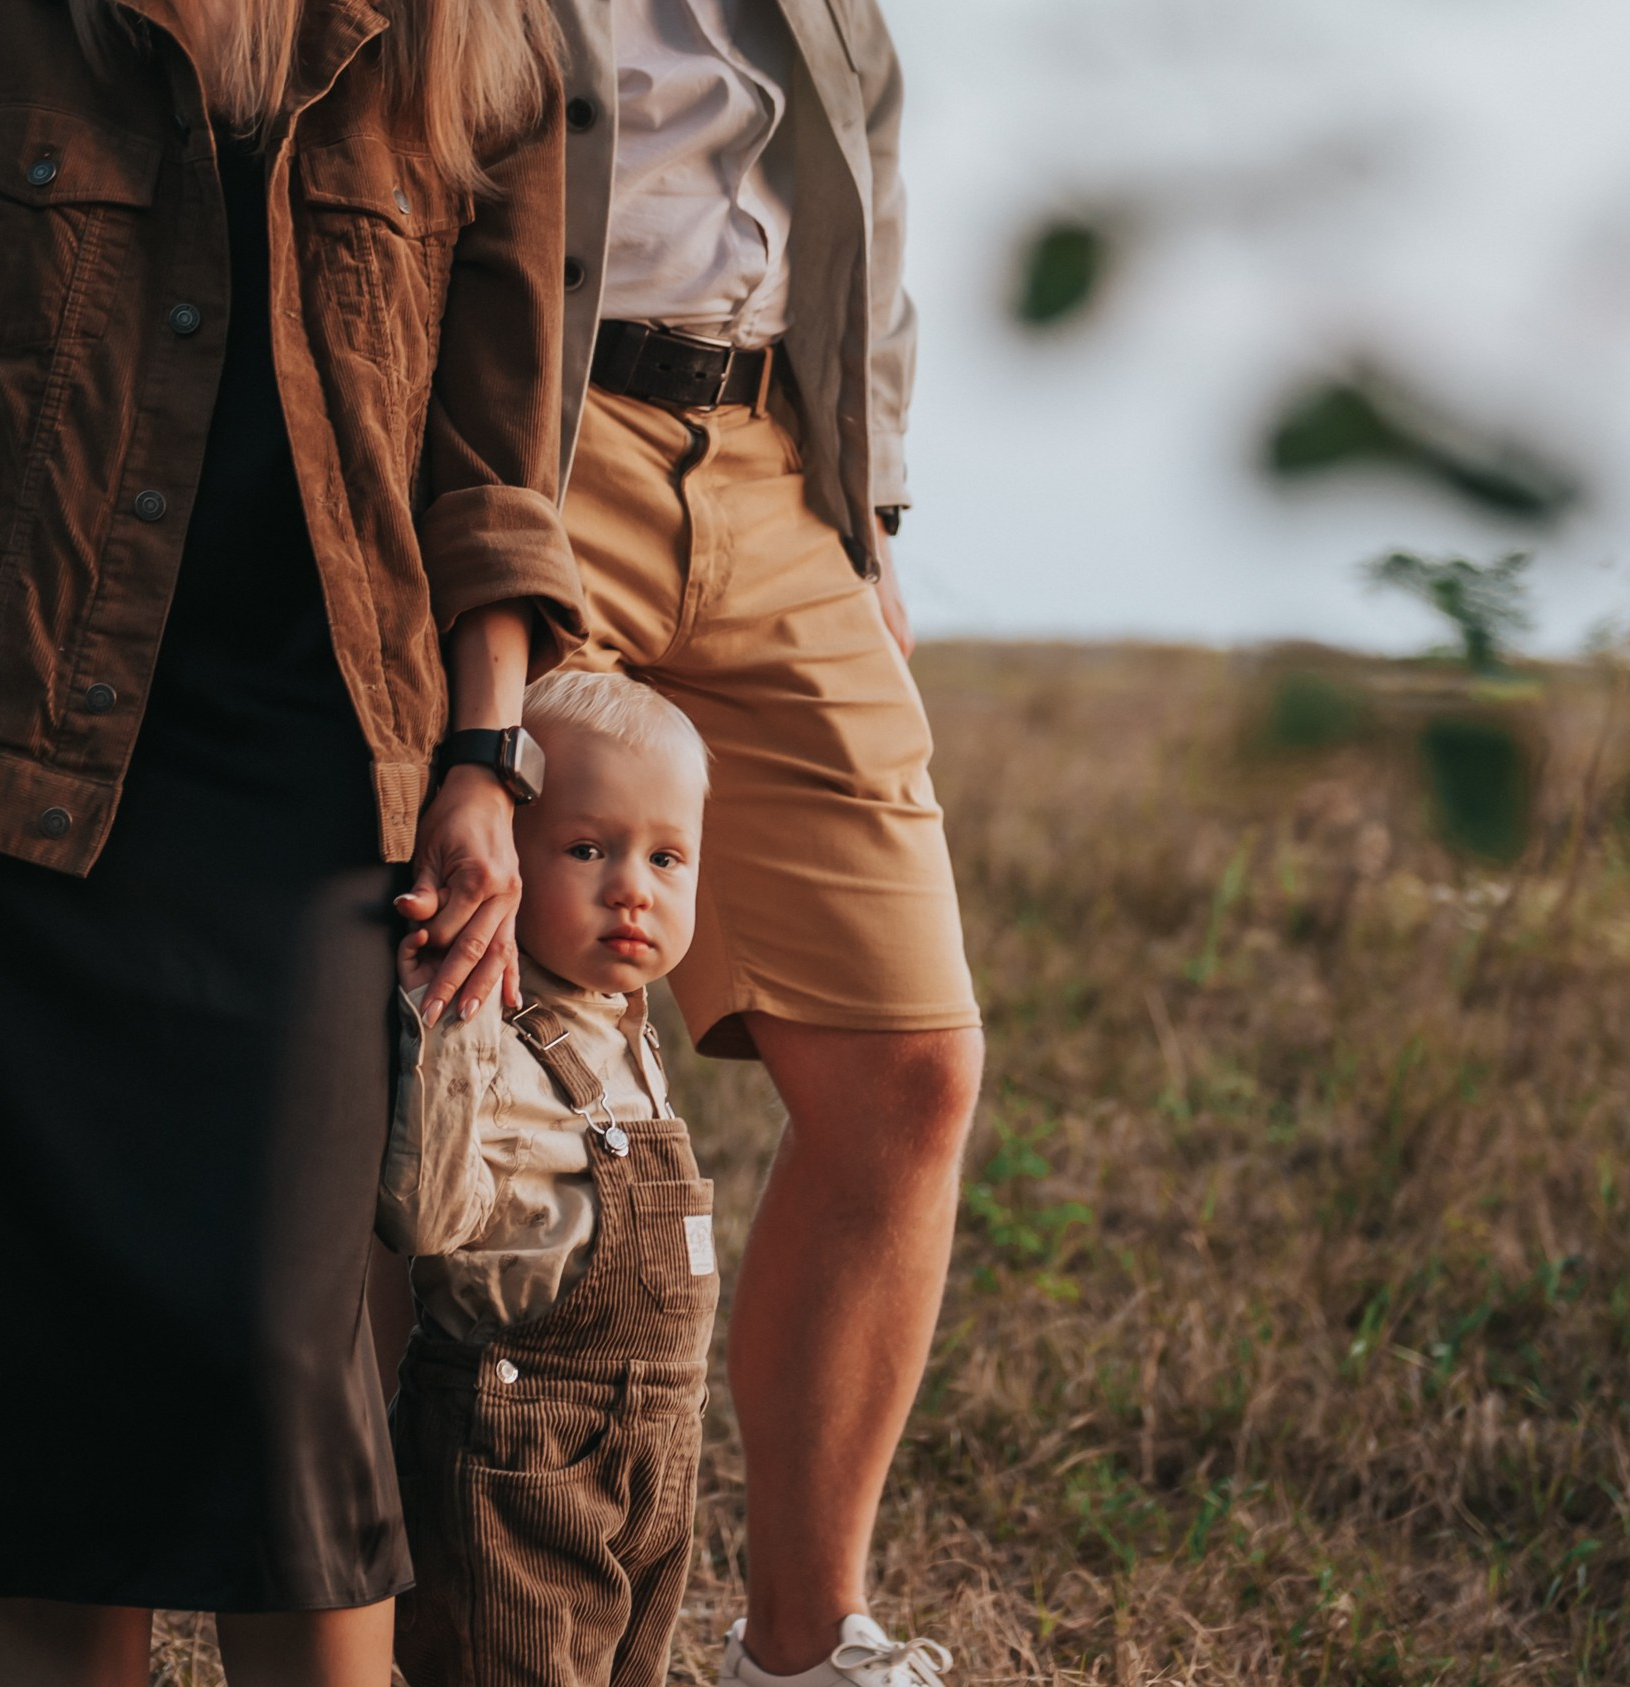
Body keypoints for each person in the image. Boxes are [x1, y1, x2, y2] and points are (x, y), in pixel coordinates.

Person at [0, 0, 573, 1679]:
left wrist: (485, 757)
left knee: (279, 1382)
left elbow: (497, 451)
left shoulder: (476, 35)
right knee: (42, 1419)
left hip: (309, 807)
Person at [542, 1, 985, 1681]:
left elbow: (856, 151)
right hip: (526, 433)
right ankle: (475, 1629)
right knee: (462, 1055)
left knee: (906, 1068)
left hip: (772, 466)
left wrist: (864, 498)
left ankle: (801, 1644)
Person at [383, 670, 716, 1687]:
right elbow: (425, 1217)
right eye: (588, 848)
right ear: (508, 866)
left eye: (666, 857)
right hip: (516, 1445)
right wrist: (439, 1033)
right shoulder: (489, 1026)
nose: (633, 887)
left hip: (655, 1444)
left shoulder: (627, 1032)